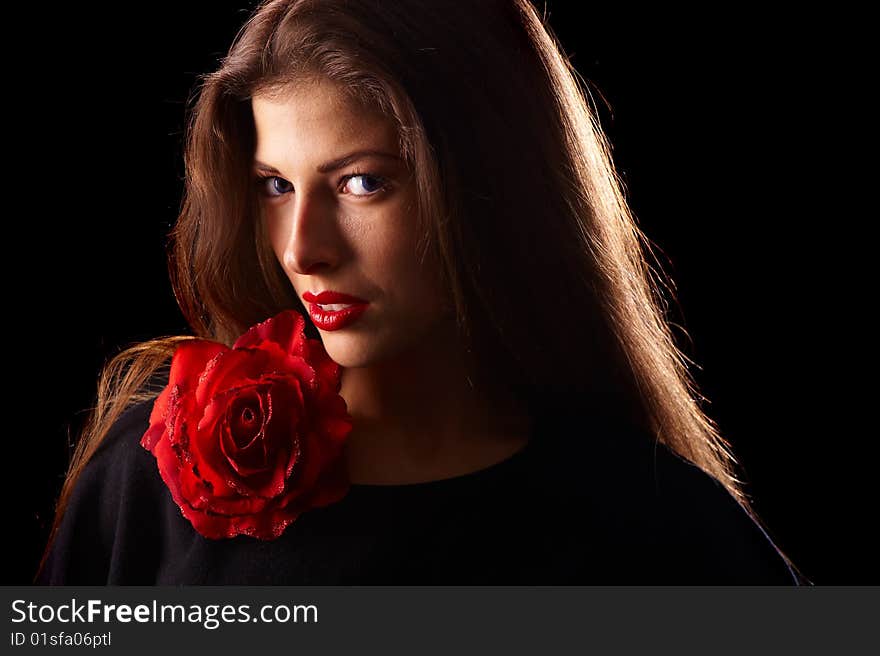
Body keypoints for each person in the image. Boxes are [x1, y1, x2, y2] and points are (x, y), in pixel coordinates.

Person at [36, 0, 809, 585]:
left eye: (362, 183)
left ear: (494, 188)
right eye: (274, 185)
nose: (304, 248)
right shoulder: (151, 479)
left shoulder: (657, 522)